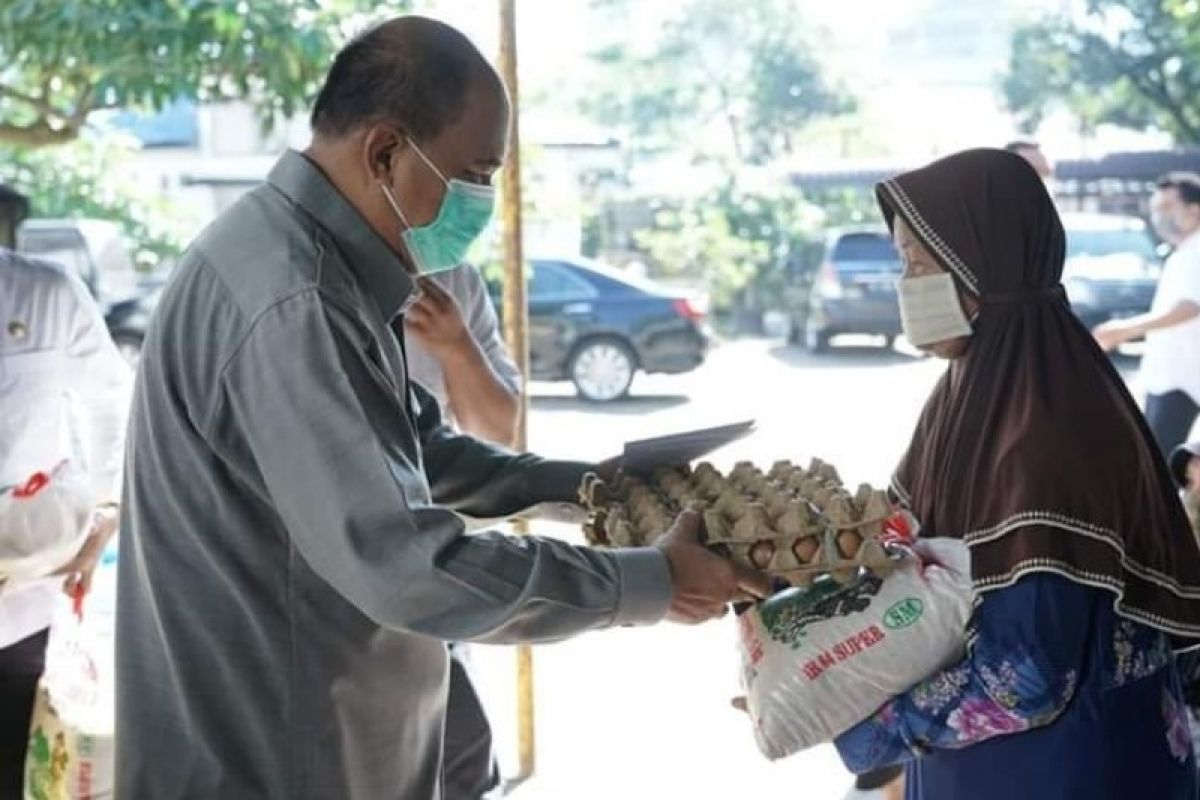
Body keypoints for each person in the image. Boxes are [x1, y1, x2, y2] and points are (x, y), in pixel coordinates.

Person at [115, 16, 769, 800]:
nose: (483, 203)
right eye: (476, 175)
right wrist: (648, 583)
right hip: (273, 756)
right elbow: (411, 567)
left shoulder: (317, 266)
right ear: (385, 152)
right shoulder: (297, 300)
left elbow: (415, 454)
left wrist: (590, 488)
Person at [834, 149, 1200, 799]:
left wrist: (856, 722)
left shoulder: (1041, 432)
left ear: (985, 263)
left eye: (919, 263)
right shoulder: (984, 389)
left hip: (1066, 772)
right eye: (903, 263)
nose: (905, 285)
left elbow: (1027, 676)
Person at [0, 248, 131, 796]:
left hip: (22, 599)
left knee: (14, 765)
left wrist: (106, 508)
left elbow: (112, 401)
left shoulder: (44, 292)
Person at [403, 265, 522, 799]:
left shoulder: (456, 281)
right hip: (351, 554)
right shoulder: (318, 272)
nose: (475, 191)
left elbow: (497, 429)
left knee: (460, 749)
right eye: (469, 174)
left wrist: (456, 344)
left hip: (430, 543)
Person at [1094, 173, 1200, 457]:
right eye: (1155, 209)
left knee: (1160, 466)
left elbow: (1191, 306)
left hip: (1184, 378)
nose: (1159, 216)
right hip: (1170, 374)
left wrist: (1126, 329)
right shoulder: (1181, 253)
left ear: (1194, 209)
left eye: (1167, 207)